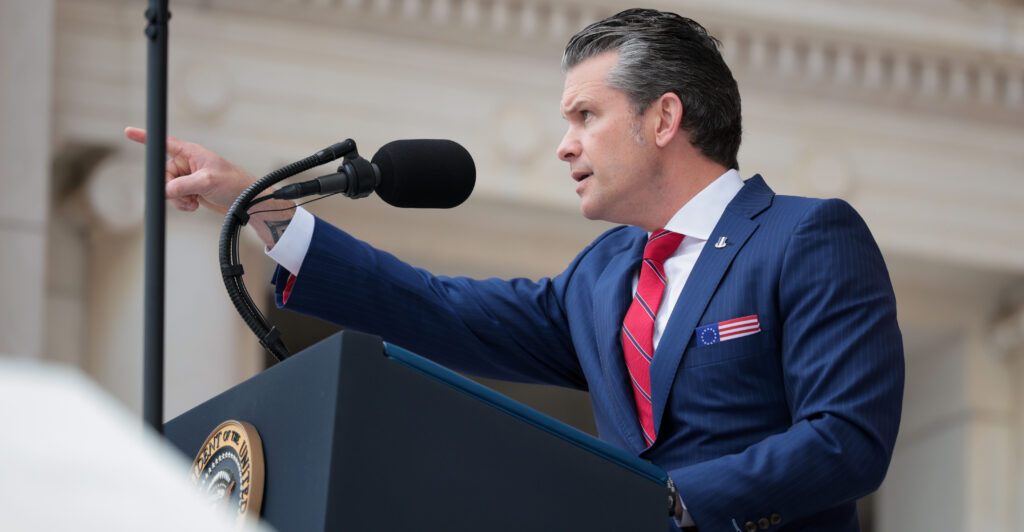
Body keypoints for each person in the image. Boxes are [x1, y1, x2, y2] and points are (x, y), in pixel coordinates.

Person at [127, 8, 903, 531]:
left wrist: (661, 501)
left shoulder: (806, 237)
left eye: (585, 116)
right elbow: (442, 309)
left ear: (664, 118)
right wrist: (265, 213)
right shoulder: (603, 277)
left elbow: (846, 441)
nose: (565, 144)